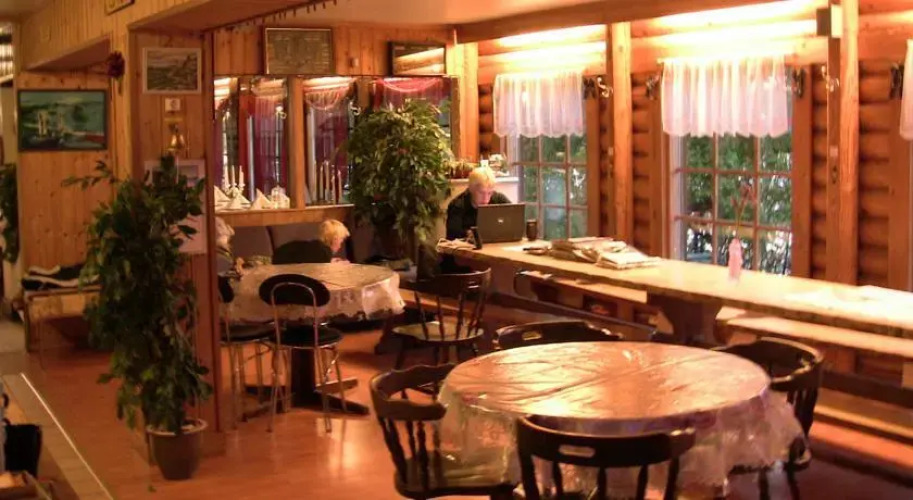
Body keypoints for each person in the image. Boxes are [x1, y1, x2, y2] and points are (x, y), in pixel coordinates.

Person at [445, 166, 511, 240]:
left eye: (489, 193)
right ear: (471, 189)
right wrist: (468, 234)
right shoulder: (457, 205)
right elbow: (452, 236)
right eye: (481, 193)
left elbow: (515, 218)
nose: (486, 199)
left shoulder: (499, 200)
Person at [272, 219, 351, 265]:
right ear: (335, 239)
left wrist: (330, 262)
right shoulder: (323, 252)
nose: (340, 246)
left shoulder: (318, 247)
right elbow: (322, 273)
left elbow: (314, 263)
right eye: (341, 240)